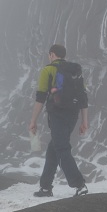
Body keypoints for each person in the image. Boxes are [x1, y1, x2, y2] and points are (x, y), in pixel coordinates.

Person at [29, 43, 89, 197]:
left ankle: (79, 184)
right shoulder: (76, 70)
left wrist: (33, 121)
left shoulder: (48, 70)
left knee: (61, 148)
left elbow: (41, 97)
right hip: (73, 115)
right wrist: (84, 121)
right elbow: (83, 97)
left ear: (51, 54)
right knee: (54, 148)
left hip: (57, 115)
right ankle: (45, 187)